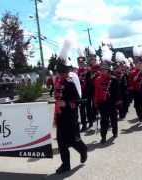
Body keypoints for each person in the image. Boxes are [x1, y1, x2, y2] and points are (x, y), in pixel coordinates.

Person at [53, 42, 88, 174]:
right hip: (60, 116)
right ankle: (65, 165)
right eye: (60, 71)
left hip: (71, 116)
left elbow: (77, 101)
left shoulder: (70, 83)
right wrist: (55, 116)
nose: (61, 73)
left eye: (64, 71)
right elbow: (56, 100)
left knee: (73, 140)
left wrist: (66, 104)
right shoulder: (57, 82)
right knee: (61, 143)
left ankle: (83, 149)